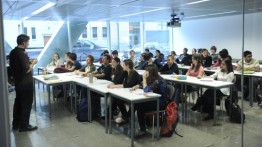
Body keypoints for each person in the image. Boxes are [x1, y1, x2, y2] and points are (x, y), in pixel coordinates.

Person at [9, 34, 38, 132]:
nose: (28, 44)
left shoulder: (13, 52)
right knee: (26, 104)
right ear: (24, 42)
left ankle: (15, 124)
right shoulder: (22, 54)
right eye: (28, 42)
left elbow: (18, 67)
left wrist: (28, 61)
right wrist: (33, 63)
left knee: (18, 103)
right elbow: (26, 70)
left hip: (18, 83)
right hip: (26, 84)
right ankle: (24, 126)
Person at [135, 64, 169, 136]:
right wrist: (138, 86)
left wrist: (144, 79)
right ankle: (128, 117)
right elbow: (147, 86)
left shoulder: (158, 80)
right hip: (154, 100)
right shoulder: (153, 78)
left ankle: (142, 128)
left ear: (150, 72)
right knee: (136, 104)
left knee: (139, 105)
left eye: (146, 71)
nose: (145, 72)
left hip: (161, 102)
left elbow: (146, 90)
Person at [107, 59, 140, 124]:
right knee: (117, 100)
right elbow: (119, 80)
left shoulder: (134, 73)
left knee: (119, 100)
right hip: (128, 92)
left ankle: (125, 117)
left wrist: (114, 86)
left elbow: (127, 85)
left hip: (134, 94)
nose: (122, 66)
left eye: (123, 65)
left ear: (127, 66)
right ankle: (125, 116)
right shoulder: (125, 72)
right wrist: (112, 84)